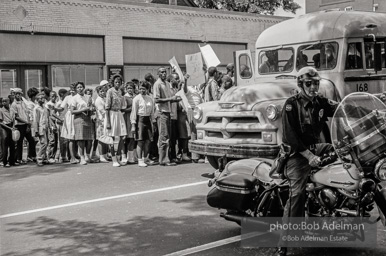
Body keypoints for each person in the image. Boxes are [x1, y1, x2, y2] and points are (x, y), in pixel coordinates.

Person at [277, 67, 338, 256]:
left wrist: (367, 112)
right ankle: (283, 243)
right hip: (296, 155)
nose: (313, 87)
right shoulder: (291, 105)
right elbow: (290, 137)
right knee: (297, 194)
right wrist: (310, 157)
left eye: (316, 83)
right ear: (301, 85)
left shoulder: (320, 102)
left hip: (316, 148)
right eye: (309, 84)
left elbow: (340, 108)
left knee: (340, 150)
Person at [153, 67, 181, 166]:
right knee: (163, 136)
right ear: (158, 73)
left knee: (167, 136)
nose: (164, 73)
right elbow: (156, 99)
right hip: (162, 112)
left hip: (168, 111)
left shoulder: (166, 84)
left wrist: (174, 99)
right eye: (161, 72)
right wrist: (170, 99)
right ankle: (163, 159)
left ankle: (166, 157)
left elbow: (169, 98)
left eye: (165, 72)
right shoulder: (158, 84)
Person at [104, 74, 127, 167]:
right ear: (113, 83)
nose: (118, 84)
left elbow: (123, 105)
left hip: (119, 114)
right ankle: (114, 159)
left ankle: (118, 157)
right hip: (111, 114)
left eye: (119, 82)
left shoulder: (120, 92)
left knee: (123, 136)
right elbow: (107, 107)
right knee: (112, 138)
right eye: (116, 82)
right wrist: (108, 122)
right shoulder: (110, 91)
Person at [71, 82, 95, 165]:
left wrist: (91, 109)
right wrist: (83, 109)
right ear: (76, 89)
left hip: (88, 118)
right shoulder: (74, 98)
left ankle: (88, 155)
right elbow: (72, 111)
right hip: (79, 119)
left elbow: (92, 106)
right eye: (78, 87)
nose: (80, 89)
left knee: (89, 139)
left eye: (81, 87)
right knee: (81, 139)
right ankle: (82, 157)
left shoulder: (88, 97)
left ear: (84, 88)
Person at [131, 81, 154, 167]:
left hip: (148, 120)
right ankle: (140, 160)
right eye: (140, 89)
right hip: (140, 120)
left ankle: (145, 158)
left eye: (144, 89)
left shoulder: (150, 98)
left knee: (148, 141)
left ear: (147, 89)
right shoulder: (136, 99)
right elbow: (133, 112)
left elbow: (152, 112)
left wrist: (153, 122)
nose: (142, 90)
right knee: (140, 141)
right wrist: (133, 125)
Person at [10, 88, 36, 165]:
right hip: (19, 125)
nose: (18, 95)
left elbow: (27, 113)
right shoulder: (14, 104)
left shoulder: (23, 103)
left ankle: (33, 156)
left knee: (31, 140)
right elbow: (16, 117)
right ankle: (19, 159)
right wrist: (26, 122)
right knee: (19, 143)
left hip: (26, 125)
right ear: (14, 95)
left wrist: (28, 124)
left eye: (19, 93)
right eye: (16, 94)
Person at [58, 84, 78, 164]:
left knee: (77, 138)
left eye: (74, 89)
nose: (72, 91)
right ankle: (72, 157)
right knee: (71, 137)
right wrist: (55, 108)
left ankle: (75, 155)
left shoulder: (79, 96)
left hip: (79, 116)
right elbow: (61, 108)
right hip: (70, 117)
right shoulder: (67, 98)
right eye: (71, 89)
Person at [33, 93, 51, 166]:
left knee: (46, 143)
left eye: (43, 98)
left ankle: (44, 158)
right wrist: (36, 130)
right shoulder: (36, 108)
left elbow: (47, 117)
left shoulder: (44, 107)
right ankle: (39, 158)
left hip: (45, 127)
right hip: (41, 127)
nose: (43, 99)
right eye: (41, 98)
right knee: (43, 143)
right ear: (37, 100)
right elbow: (35, 120)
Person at [122, 82, 137, 164]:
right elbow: (123, 109)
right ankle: (124, 156)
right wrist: (132, 108)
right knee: (127, 138)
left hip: (134, 118)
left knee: (133, 139)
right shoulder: (125, 97)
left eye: (131, 88)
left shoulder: (135, 96)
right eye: (128, 88)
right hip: (127, 119)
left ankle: (132, 156)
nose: (130, 90)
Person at [94, 83, 109, 163]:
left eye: (104, 91)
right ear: (98, 92)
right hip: (101, 122)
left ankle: (105, 154)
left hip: (106, 121)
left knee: (105, 138)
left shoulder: (105, 99)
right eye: (101, 91)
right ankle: (101, 156)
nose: (103, 93)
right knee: (100, 139)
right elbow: (103, 111)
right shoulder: (98, 100)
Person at [0, 97, 16, 167]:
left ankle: (12, 161)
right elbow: (1, 122)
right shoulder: (1, 110)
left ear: (9, 102)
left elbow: (14, 119)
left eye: (5, 101)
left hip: (11, 126)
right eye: (3, 101)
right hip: (4, 127)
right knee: (5, 145)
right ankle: (4, 162)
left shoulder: (12, 109)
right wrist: (9, 128)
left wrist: (13, 126)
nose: (4, 103)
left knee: (12, 144)